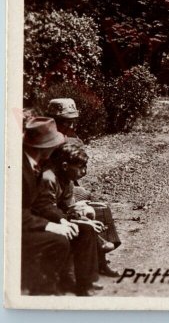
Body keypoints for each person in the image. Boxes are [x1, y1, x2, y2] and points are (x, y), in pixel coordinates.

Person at [46, 98, 121, 277]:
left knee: (99, 205)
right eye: (65, 121)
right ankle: (98, 246)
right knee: (84, 208)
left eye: (72, 120)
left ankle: (101, 259)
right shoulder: (45, 140)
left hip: (69, 185)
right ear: (53, 120)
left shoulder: (73, 138)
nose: (70, 124)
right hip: (52, 187)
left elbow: (80, 170)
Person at [34, 141, 102, 296]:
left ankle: (85, 282)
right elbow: (45, 208)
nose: (83, 172)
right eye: (80, 167)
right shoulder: (48, 178)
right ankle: (71, 282)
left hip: (58, 218)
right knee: (82, 231)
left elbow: (66, 207)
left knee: (88, 228)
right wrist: (70, 221)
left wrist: (84, 219)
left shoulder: (67, 180)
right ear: (65, 166)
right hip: (42, 222)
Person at [22, 117, 73, 295]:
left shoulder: (34, 164)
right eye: (54, 144)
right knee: (58, 241)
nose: (56, 148)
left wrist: (61, 220)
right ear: (45, 147)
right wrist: (49, 225)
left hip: (28, 221)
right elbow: (14, 213)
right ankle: (43, 291)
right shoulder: (20, 169)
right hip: (13, 230)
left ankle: (53, 284)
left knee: (67, 232)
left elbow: (42, 202)